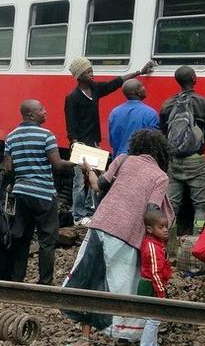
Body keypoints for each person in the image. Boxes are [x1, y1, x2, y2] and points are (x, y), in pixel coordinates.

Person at [64, 129, 174, 346]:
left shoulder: (123, 159)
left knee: (90, 277)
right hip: (129, 235)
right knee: (124, 286)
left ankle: (84, 339)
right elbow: (152, 211)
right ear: (161, 154)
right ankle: (123, 342)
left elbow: (99, 186)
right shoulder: (160, 177)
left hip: (101, 224)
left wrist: (89, 172)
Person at [64, 57, 155, 226]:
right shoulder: (73, 97)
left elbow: (116, 83)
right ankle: (78, 215)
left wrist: (139, 72)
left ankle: (92, 211)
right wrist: (75, 143)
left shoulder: (95, 89)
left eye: (91, 70)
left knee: (97, 178)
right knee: (79, 181)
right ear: (78, 76)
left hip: (94, 142)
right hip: (80, 145)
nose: (91, 74)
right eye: (87, 72)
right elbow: (71, 124)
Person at [4, 99, 74, 285]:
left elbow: (9, 169)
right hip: (43, 195)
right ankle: (44, 282)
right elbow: (58, 165)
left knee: (22, 238)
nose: (45, 112)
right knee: (47, 240)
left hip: (21, 194)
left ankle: (17, 279)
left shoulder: (10, 137)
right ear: (31, 115)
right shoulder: (47, 136)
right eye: (41, 109)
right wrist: (79, 162)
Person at [159, 66, 205, 236]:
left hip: (174, 162)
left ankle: (170, 246)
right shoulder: (204, 103)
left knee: (172, 207)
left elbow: (164, 135)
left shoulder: (167, 105)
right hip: (196, 161)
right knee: (200, 206)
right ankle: (197, 241)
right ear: (193, 78)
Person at [138, 208, 172, 346]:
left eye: (166, 226)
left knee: (154, 318)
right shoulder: (152, 246)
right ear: (150, 229)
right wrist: (161, 291)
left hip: (154, 284)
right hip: (150, 285)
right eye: (161, 227)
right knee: (153, 319)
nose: (165, 230)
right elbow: (154, 272)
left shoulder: (157, 243)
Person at [108, 78, 159, 158]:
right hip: (140, 163)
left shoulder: (114, 113)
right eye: (142, 86)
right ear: (138, 92)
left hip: (119, 161)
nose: (144, 88)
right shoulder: (150, 113)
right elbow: (153, 143)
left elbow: (112, 142)